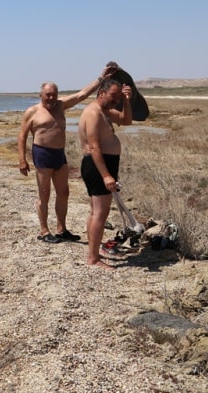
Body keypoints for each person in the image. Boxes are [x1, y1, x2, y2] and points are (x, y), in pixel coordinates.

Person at [18, 66, 116, 243]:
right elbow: (22, 135)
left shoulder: (60, 106)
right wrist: (22, 160)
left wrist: (101, 79)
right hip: (42, 154)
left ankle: (61, 229)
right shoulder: (32, 111)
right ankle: (44, 231)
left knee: (63, 193)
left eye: (54, 94)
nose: (51, 98)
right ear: (41, 95)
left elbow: (82, 94)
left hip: (59, 155)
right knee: (44, 194)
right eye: (47, 94)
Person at [78, 78, 132, 269]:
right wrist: (106, 175)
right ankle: (93, 258)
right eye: (113, 95)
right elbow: (94, 147)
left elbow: (127, 120)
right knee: (100, 213)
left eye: (118, 96)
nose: (115, 99)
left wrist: (126, 100)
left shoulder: (105, 111)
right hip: (98, 165)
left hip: (100, 165)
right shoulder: (93, 113)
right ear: (102, 93)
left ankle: (94, 251)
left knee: (95, 212)